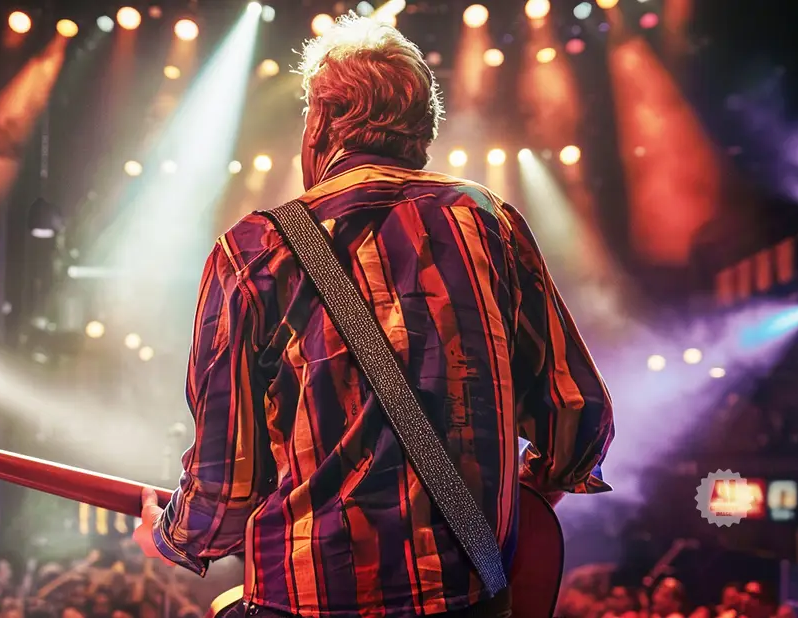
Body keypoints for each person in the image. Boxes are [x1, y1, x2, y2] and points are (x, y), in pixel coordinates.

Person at [133, 12, 614, 618]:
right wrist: (505, 512)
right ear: (421, 132)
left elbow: (226, 483)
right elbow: (578, 416)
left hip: (310, 603)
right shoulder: (486, 222)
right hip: (470, 599)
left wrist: (170, 535)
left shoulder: (255, 250)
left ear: (324, 121)